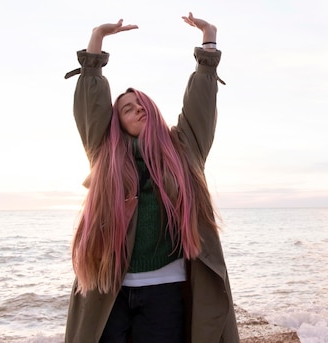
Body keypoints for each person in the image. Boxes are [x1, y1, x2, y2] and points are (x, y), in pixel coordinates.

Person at [63, 13, 239, 343]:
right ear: (117, 121)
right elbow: (91, 103)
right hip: (109, 289)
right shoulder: (106, 154)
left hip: (165, 290)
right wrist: (97, 39)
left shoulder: (184, 148)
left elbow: (201, 99)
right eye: (128, 108)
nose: (138, 109)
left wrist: (209, 38)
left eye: (142, 104)